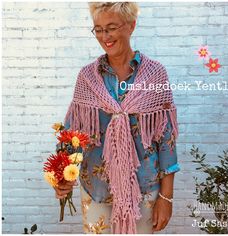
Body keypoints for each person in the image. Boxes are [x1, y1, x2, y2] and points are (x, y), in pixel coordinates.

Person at [54, 2, 180, 234]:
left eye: (111, 27)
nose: (105, 36)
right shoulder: (87, 78)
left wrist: (166, 197)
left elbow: (167, 140)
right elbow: (72, 134)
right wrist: (62, 175)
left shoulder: (155, 75)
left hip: (144, 188)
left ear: (131, 26)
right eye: (99, 29)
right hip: (96, 189)